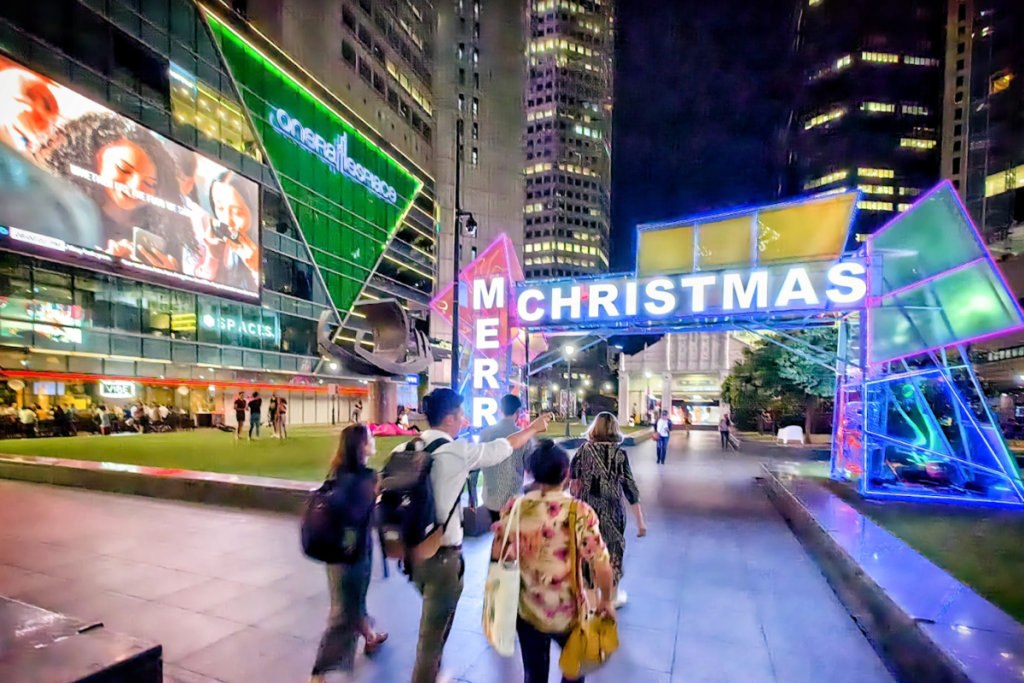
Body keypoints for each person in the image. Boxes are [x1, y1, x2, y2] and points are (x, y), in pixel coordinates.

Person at [409, 388, 551, 683]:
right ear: (449, 418)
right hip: (443, 557)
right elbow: (506, 447)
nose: (464, 419)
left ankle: (434, 670)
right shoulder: (456, 451)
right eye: (461, 414)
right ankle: (427, 675)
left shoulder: (407, 449)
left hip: (412, 552)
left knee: (435, 621)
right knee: (431, 636)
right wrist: (534, 428)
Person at [492, 441, 615, 683]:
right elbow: (600, 562)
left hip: (527, 609)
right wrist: (606, 601)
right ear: (566, 473)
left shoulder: (514, 507)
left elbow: (502, 554)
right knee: (575, 669)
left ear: (531, 472)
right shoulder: (579, 511)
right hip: (568, 612)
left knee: (534, 673)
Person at [35, 112, 194, 270]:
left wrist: (168, 279)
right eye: (124, 170)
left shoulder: (163, 230)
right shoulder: (61, 212)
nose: (136, 187)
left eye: (149, 183)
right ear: (90, 158)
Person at [308, 424, 388, 683]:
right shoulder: (368, 477)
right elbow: (367, 511)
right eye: (370, 438)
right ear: (361, 446)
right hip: (354, 554)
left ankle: (371, 636)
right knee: (343, 613)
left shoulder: (337, 473)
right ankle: (319, 673)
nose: (373, 441)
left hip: (336, 551)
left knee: (353, 601)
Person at [569, 412, 646, 608]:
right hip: (613, 512)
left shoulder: (582, 452)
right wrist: (640, 521)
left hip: (587, 512)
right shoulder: (620, 455)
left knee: (587, 551)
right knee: (613, 550)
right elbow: (631, 488)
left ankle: (589, 595)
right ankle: (611, 596)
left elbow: (573, 486)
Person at [480, 394, 531, 524]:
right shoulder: (524, 437)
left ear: (500, 410)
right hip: (513, 496)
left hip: (491, 496)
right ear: (518, 412)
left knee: (496, 531)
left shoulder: (485, 433)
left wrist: (472, 496)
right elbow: (529, 465)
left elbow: (477, 463)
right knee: (512, 536)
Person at [209, 171, 259, 292]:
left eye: (237, 213)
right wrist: (212, 259)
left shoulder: (262, 252)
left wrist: (257, 269)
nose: (226, 221)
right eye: (219, 207)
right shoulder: (214, 238)